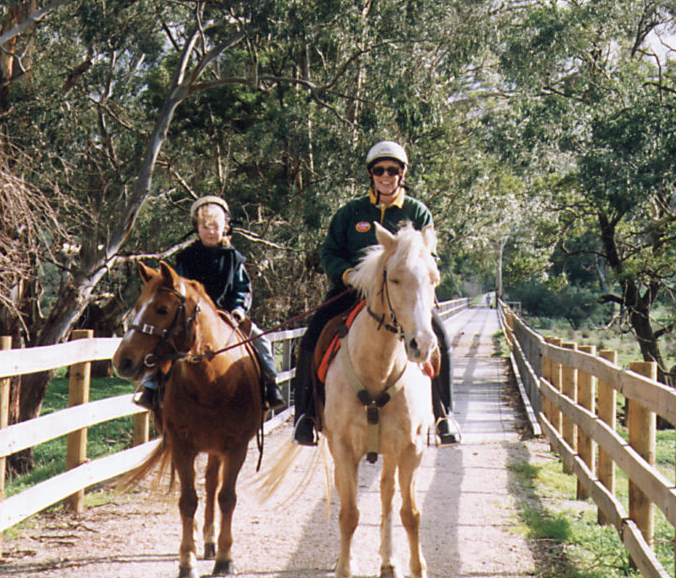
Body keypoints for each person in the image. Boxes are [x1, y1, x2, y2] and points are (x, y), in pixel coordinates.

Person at [291, 140, 461, 446]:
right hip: (351, 292)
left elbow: (428, 255)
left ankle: (443, 415)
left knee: (441, 339)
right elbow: (329, 252)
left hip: (404, 295)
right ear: (371, 174)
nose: (386, 175)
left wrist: (424, 280)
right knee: (311, 337)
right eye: (380, 170)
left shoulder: (417, 212)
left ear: (401, 174)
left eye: (393, 170)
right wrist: (349, 274)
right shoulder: (351, 212)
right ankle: (306, 417)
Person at [134, 195, 285, 411]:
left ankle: (270, 385)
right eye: (205, 227)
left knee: (261, 342)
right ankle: (151, 383)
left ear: (225, 228)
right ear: (197, 228)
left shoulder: (234, 258)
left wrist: (239, 309)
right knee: (166, 342)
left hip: (226, 315)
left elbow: (242, 288)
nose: (210, 231)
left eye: (215, 226)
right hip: (190, 317)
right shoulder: (186, 257)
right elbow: (178, 289)